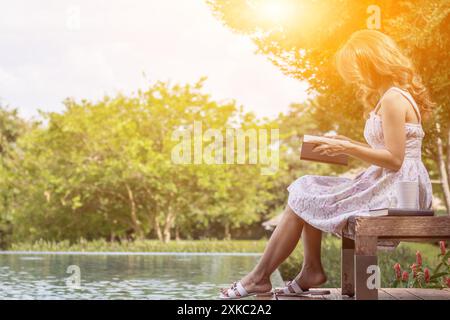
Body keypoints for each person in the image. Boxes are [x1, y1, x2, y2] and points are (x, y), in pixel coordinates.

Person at [220, 29, 434, 299]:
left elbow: (395, 159)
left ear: (371, 62)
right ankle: (304, 270)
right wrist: (344, 143)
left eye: (356, 68)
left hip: (401, 189)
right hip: (390, 181)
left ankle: (261, 277)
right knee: (308, 187)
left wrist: (348, 147)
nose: (355, 76)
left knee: (306, 190)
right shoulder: (388, 97)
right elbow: (388, 151)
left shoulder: (393, 98)